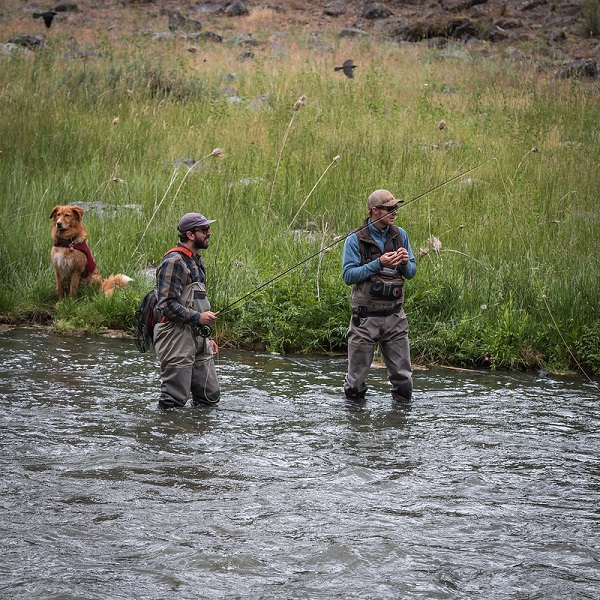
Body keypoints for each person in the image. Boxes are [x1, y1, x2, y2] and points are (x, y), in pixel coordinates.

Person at [342, 189, 417, 402]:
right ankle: (356, 425)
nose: (395, 212)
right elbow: (348, 276)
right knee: (355, 382)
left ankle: (400, 429)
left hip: (395, 317)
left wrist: (404, 263)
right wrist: (379, 263)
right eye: (390, 208)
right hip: (364, 319)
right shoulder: (354, 239)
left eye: (396, 207)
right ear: (374, 211)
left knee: (404, 380)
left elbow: (411, 273)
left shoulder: (400, 235)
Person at [153, 212, 220, 409]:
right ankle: (168, 435)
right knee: (174, 399)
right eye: (204, 230)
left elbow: (197, 302)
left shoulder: (196, 260)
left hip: (197, 334)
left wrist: (207, 337)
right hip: (174, 335)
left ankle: (201, 436)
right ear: (190, 235)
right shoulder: (174, 262)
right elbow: (166, 304)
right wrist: (198, 317)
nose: (209, 233)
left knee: (209, 396)